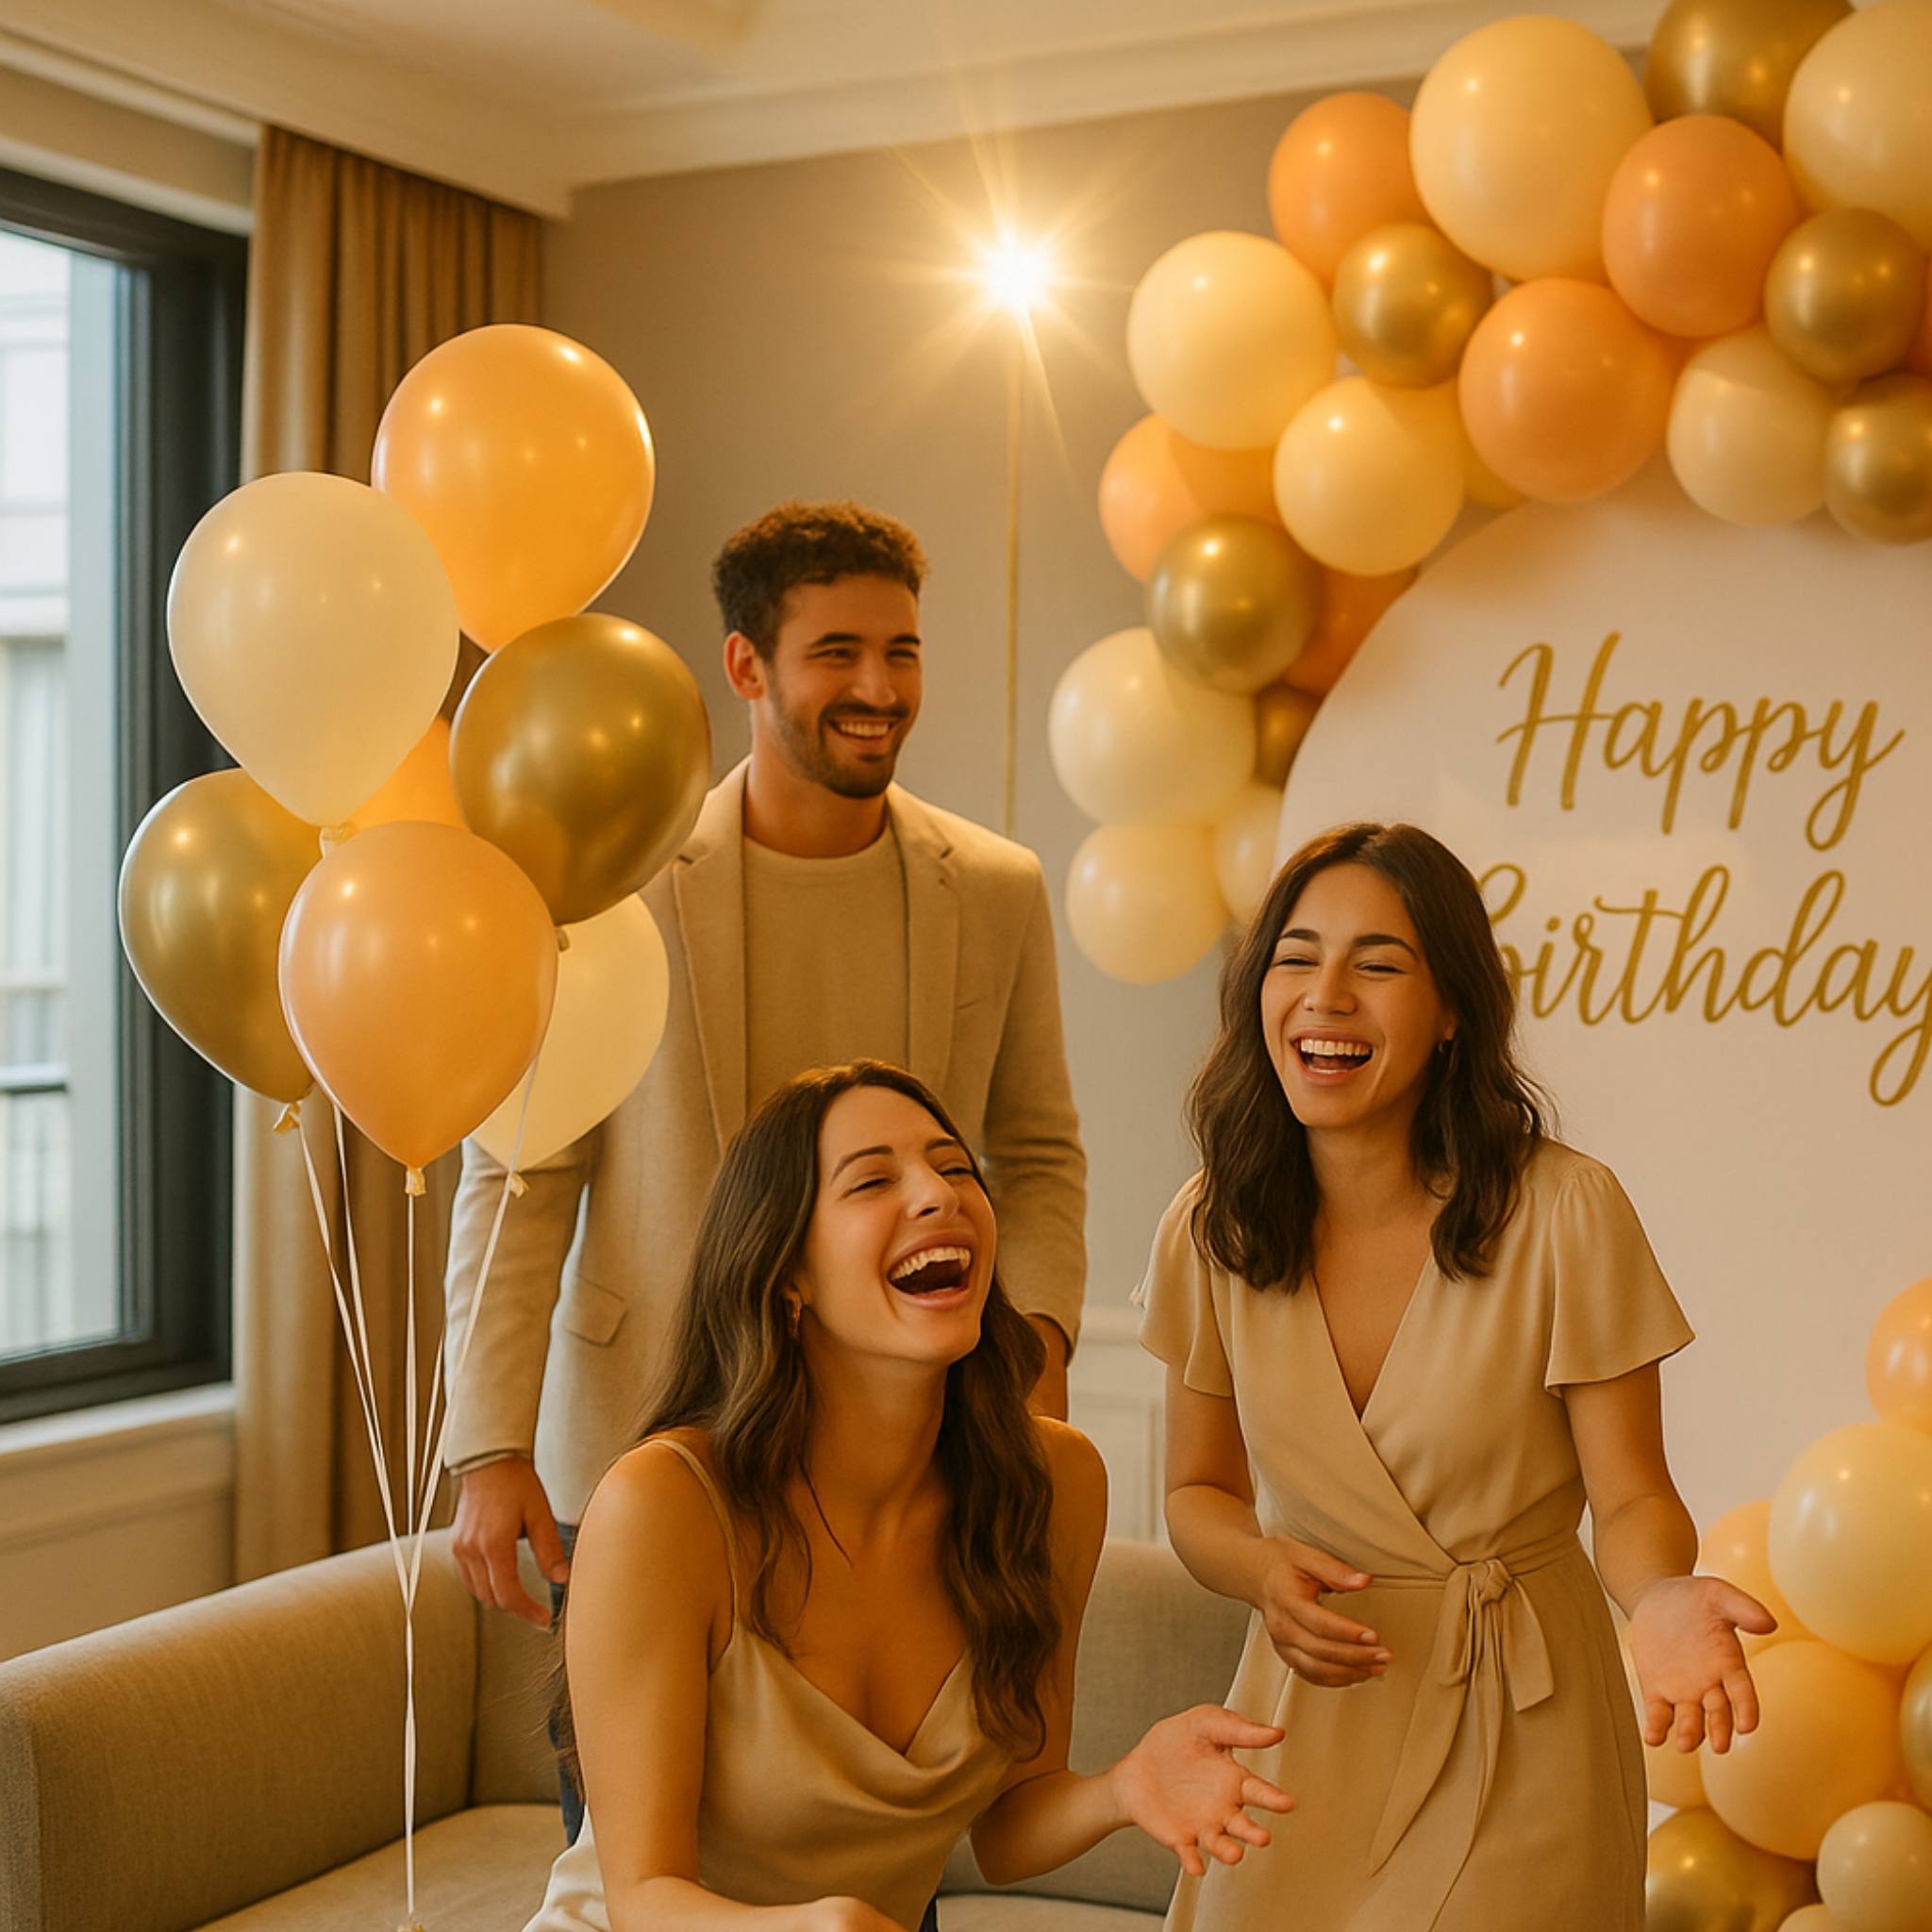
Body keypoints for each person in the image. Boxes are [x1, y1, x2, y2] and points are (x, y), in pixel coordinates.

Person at [441, 503, 1089, 1832]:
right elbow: (523, 1168)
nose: (878, 688)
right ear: (746, 666)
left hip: (898, 1469)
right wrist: (490, 1440)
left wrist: (1038, 1342)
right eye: (836, 652)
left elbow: (1035, 1147)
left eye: (902, 652)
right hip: (647, 1435)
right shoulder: (612, 882)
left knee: (877, 1833)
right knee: (637, 1857)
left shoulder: (1000, 887)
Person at [1140, 822, 1772, 1932]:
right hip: (1308, 1721)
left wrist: (1660, 1596)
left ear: (1449, 1013)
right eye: (1294, 956)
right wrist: (1258, 1571)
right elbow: (1194, 1492)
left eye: (1376, 963)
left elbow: (1626, 1494)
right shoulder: (1208, 1226)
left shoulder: (1565, 1210)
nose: (1325, 993)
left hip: (1522, 1720)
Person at [525, 1060, 1291, 1932]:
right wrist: (824, 1925)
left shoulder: (1054, 1487)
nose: (939, 1195)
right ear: (788, 1276)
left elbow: (1009, 1826)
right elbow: (641, 1899)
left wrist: (1126, 1786)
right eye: (874, 1181)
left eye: (956, 1168)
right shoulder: (663, 1506)